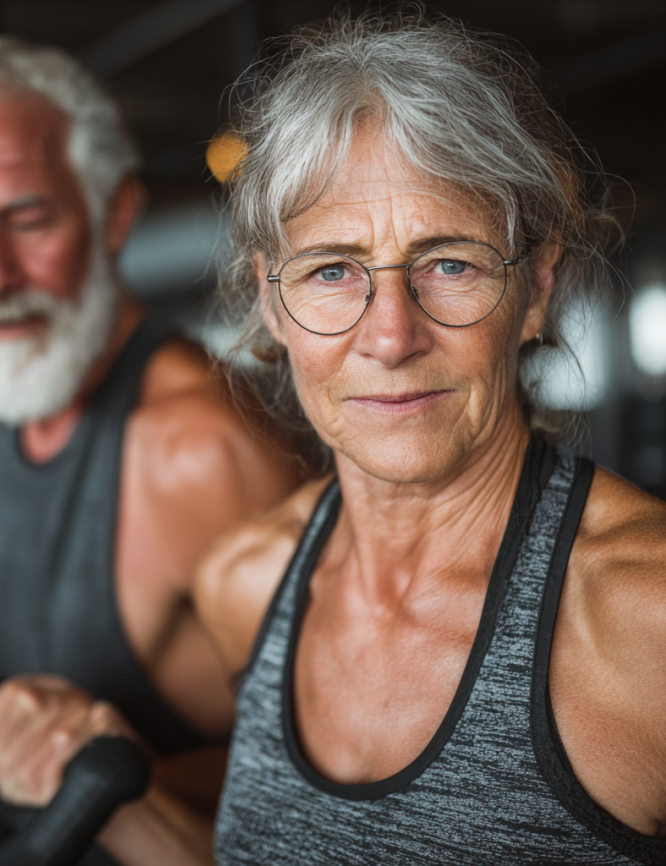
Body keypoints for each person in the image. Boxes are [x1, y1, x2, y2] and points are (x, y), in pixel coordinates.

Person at [190, 11, 666, 865]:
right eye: (332, 270)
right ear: (270, 298)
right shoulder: (245, 585)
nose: (390, 336)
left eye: (450, 262)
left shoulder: (645, 621)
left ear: (538, 287)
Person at [0, 38, 306, 865]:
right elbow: (15, 706)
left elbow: (357, 780)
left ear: (112, 214)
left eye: (29, 219)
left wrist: (121, 774)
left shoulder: (201, 448)